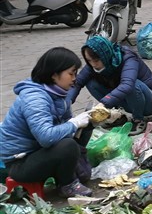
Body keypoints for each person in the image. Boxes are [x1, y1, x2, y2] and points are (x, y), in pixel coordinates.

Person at [0, 48, 93, 198]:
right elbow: (46, 137)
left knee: (84, 130)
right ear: (54, 75)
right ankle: (68, 185)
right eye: (71, 74)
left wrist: (88, 122)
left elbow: (66, 128)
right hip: (20, 163)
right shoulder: (35, 98)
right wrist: (74, 123)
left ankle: (68, 175)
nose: (74, 78)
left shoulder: (59, 93)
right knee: (68, 145)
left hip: (38, 152)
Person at [67, 36, 152, 136]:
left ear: (104, 55)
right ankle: (116, 116)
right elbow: (78, 83)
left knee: (132, 85)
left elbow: (127, 85)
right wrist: (66, 103)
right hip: (126, 99)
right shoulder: (92, 66)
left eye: (96, 60)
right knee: (91, 83)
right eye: (89, 60)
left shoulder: (128, 58)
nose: (93, 64)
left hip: (149, 101)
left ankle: (138, 119)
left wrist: (103, 103)